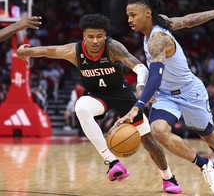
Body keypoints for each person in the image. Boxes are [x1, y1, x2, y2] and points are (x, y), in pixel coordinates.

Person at [17, 14, 182, 194]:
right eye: (90, 36)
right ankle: (112, 162)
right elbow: (49, 50)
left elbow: (140, 67)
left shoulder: (113, 48)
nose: (95, 40)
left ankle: (168, 178)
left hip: (121, 94)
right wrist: (24, 51)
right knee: (80, 106)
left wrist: (141, 86)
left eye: (99, 36)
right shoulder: (74, 51)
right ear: (83, 36)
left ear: (105, 35)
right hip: (95, 96)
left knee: (148, 140)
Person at [117, 0, 214, 195]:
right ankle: (204, 164)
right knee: (158, 131)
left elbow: (155, 76)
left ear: (147, 13)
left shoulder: (158, 39)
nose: (129, 19)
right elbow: (187, 20)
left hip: (189, 91)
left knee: (209, 136)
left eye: (133, 15)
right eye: (127, 15)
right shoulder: (155, 26)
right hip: (166, 95)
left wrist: (138, 105)